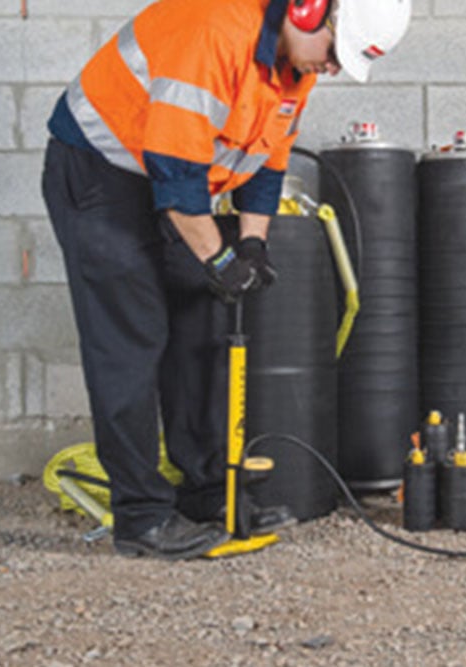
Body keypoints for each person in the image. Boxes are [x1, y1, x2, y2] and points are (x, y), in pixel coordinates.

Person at [41, 0, 412, 560]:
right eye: (335, 54)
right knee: (132, 339)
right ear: (310, 12)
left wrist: (253, 244)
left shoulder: (294, 64)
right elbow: (178, 175)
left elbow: (269, 159)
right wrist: (219, 260)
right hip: (100, 172)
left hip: (167, 181)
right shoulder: (213, 32)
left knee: (202, 323)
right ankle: (142, 519)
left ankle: (210, 494)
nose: (332, 68)